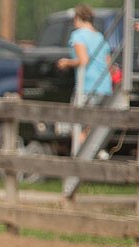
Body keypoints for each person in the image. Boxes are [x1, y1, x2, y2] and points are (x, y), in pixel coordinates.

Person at [56, 4, 113, 148]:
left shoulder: (78, 35)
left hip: (88, 87)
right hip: (105, 87)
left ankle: (81, 156)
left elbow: (83, 60)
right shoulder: (100, 36)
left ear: (77, 18)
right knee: (92, 128)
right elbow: (108, 64)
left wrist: (66, 62)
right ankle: (95, 153)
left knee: (76, 125)